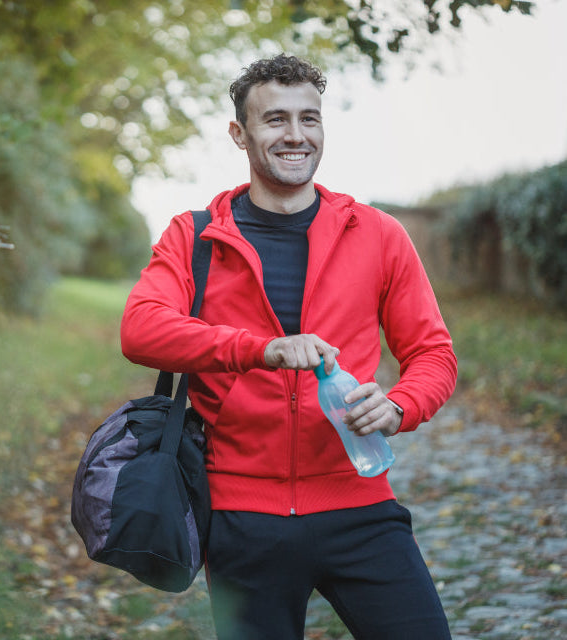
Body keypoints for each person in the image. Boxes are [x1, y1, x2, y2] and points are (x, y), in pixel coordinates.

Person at [120, 53, 457, 640]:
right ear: (240, 134)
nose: (296, 135)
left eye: (310, 118)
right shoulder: (195, 235)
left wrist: (402, 405)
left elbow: (432, 351)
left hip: (360, 507)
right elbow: (142, 330)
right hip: (242, 518)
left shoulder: (377, 233)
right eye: (275, 119)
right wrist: (260, 350)